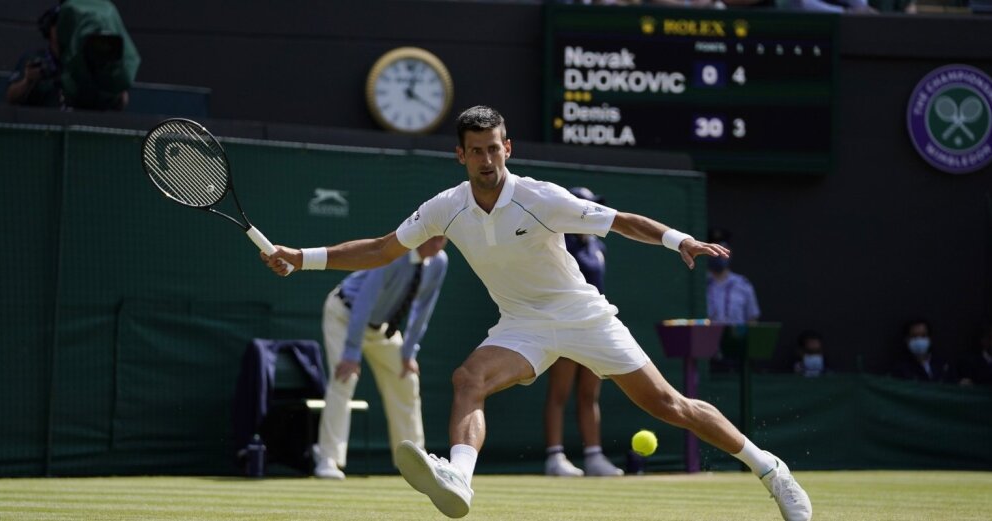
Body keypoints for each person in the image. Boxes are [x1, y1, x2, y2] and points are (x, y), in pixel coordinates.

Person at [261, 106, 811, 521]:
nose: (486, 159)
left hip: (582, 315)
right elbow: (382, 249)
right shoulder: (445, 208)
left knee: (669, 405)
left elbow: (619, 220)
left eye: (494, 149)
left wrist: (679, 239)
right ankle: (460, 479)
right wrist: (300, 258)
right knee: (467, 378)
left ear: (508, 148)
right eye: (475, 150)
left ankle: (771, 470)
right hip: (520, 324)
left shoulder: (541, 197)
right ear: (460, 155)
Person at [314, 235, 449, 480]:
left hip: (382, 328)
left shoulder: (439, 262)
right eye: (435, 239)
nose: (439, 245)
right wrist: (352, 352)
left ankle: (415, 461)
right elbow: (364, 300)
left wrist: (409, 352)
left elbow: (423, 308)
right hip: (344, 315)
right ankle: (328, 458)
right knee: (344, 380)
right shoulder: (394, 254)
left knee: (407, 381)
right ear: (421, 235)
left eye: (444, 240)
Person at [542, 186, 623, 478]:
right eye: (586, 208)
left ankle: (593, 456)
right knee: (559, 392)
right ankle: (555, 457)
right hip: (565, 324)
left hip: (593, 326)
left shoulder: (598, 246)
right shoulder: (560, 243)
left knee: (589, 394)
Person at [6, 6, 63, 108]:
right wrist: (28, 81)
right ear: (49, 28)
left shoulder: (80, 61)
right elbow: (11, 97)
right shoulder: (34, 59)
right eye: (57, 24)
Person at [706, 230, 760, 324]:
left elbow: (752, 322)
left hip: (736, 338)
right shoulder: (699, 286)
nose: (718, 254)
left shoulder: (743, 285)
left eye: (722, 249)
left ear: (729, 252)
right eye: (713, 250)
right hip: (706, 338)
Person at [891, 318, 956, 383]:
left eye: (923, 336)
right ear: (907, 340)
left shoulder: (943, 365)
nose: (919, 340)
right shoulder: (901, 369)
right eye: (914, 336)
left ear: (929, 339)